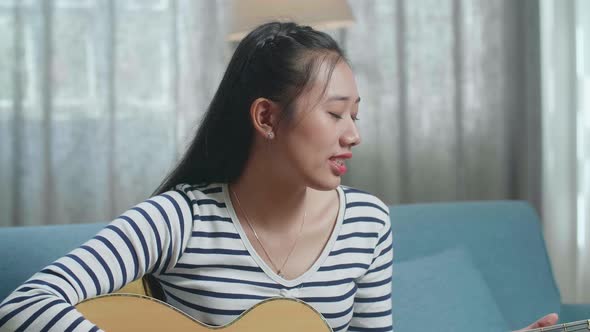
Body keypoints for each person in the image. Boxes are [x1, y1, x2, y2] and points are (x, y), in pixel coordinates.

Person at [0, 21, 557, 332]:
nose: (353, 135)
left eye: (356, 115)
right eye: (335, 113)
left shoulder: (366, 222)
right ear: (266, 117)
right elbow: (23, 307)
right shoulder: (180, 218)